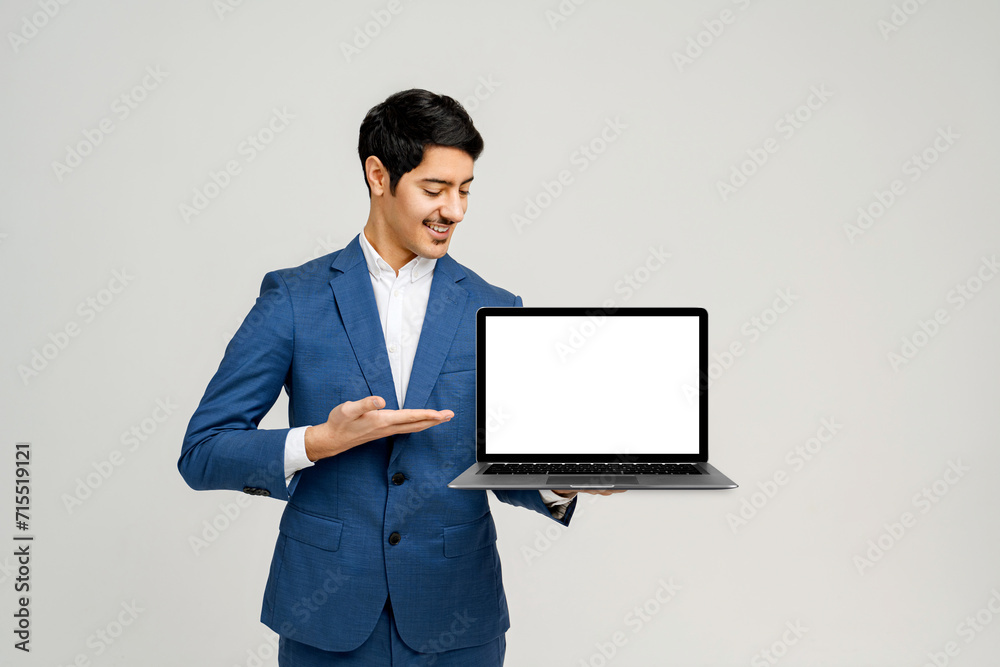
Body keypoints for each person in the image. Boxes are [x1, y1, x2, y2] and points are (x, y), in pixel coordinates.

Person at [177, 88, 620, 666]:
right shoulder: (293, 298)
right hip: (326, 614)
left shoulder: (496, 307)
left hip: (458, 615)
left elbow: (498, 467)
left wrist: (560, 482)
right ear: (378, 175)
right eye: (434, 190)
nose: (454, 210)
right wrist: (317, 443)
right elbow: (203, 452)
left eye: (464, 191)